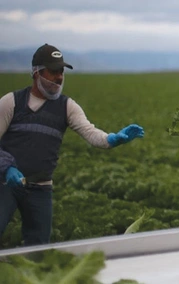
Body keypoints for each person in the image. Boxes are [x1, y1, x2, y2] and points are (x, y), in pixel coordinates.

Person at [0, 43, 145, 246]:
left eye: (61, 71)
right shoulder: (11, 102)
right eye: (53, 72)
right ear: (36, 73)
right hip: (5, 184)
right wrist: (7, 167)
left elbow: (90, 132)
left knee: (38, 247)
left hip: (40, 188)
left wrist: (112, 139)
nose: (59, 77)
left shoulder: (67, 106)